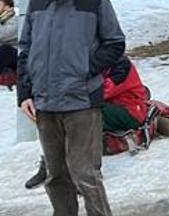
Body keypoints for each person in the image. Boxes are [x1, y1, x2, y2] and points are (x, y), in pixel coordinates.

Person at [17, 0, 125, 216]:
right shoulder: (37, 3)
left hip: (81, 101)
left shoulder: (95, 2)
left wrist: (84, 68)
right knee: (56, 177)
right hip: (45, 103)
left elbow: (115, 44)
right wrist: (25, 94)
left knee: (85, 175)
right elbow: (26, 50)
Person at [25, 56, 148, 190]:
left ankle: (85, 172)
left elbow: (100, 92)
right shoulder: (89, 63)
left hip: (129, 111)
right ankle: (51, 163)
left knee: (80, 115)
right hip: (107, 105)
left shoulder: (120, 66)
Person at [0, 0, 18, 90]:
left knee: (4, 49)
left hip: (14, 54)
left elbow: (4, 35)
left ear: (7, 7)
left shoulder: (15, 20)